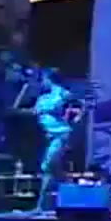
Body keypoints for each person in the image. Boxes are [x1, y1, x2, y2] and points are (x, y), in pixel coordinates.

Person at [31, 69, 77, 209]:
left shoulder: (62, 93)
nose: (42, 82)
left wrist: (73, 118)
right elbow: (35, 112)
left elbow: (78, 105)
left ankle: (42, 204)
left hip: (60, 133)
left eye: (43, 79)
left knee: (48, 165)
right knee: (54, 169)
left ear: (49, 79)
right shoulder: (42, 98)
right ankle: (72, 191)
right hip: (45, 135)